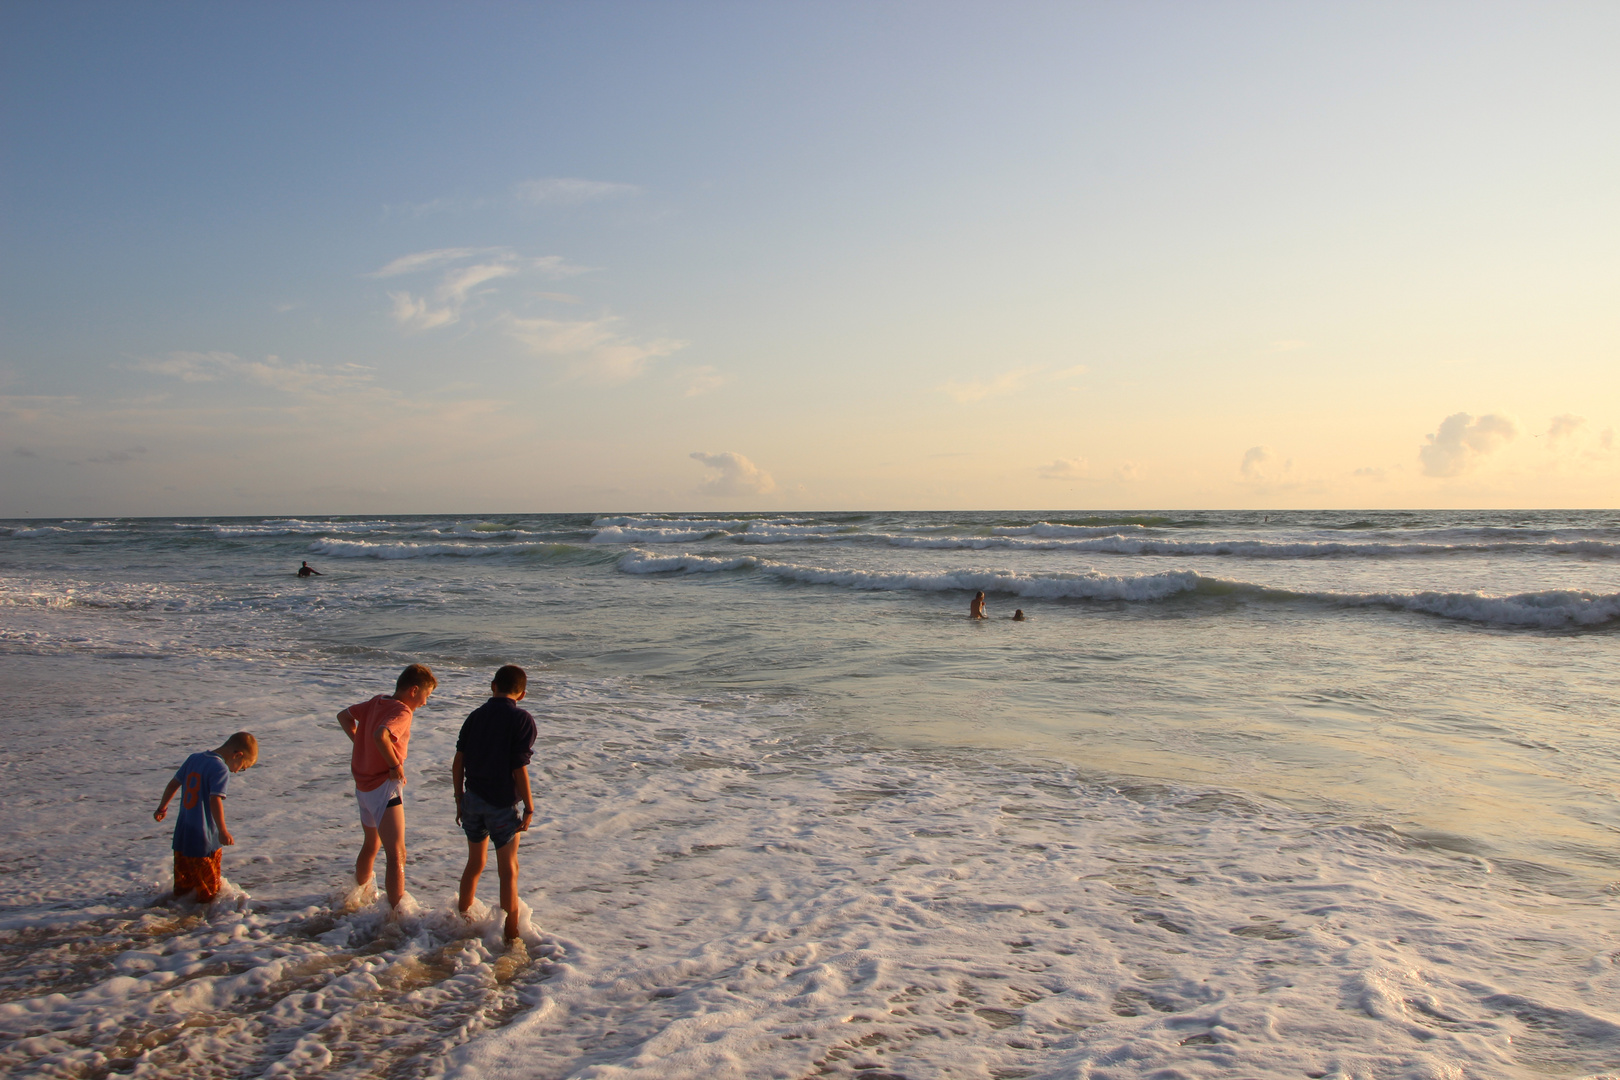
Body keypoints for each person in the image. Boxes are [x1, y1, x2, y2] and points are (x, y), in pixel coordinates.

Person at [338, 663, 436, 910]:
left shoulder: (377, 701)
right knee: (397, 853)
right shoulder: (402, 712)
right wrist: (395, 766)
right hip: (383, 785)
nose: (425, 703)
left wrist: (358, 740)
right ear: (414, 690)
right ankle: (395, 913)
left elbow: (344, 716)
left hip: (363, 786)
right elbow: (381, 735)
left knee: (371, 843)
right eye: (427, 695)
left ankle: (357, 896)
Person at [453, 664, 537, 942]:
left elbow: (458, 761)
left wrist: (459, 799)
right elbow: (518, 767)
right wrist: (529, 806)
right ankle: (510, 935)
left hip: (472, 800)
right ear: (522, 694)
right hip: (501, 803)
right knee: (508, 869)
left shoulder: (475, 716)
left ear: (493, 686)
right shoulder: (522, 719)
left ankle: (462, 919)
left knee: (474, 862)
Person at [153, 732, 259, 903]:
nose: (239, 771)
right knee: (210, 893)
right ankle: (202, 924)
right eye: (243, 766)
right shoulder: (220, 769)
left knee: (183, 888)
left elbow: (173, 783)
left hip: (182, 835)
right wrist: (223, 831)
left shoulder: (194, 759)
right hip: (204, 838)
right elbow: (215, 799)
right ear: (238, 755)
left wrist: (162, 808)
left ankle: (177, 916)